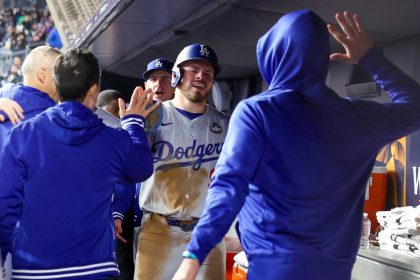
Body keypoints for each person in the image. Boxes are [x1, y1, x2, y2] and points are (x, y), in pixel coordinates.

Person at [173, 10, 420, 280]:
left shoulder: (258, 112)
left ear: (274, 55)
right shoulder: (357, 117)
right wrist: (371, 58)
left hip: (272, 271)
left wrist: (193, 256)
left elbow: (228, 187)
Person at [0, 48, 159, 279]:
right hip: (94, 268)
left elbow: (5, 205)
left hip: (34, 269)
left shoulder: (21, 134)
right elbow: (141, 167)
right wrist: (133, 123)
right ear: (94, 91)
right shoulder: (112, 137)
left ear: (56, 80)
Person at [134, 43, 230, 280]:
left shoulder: (227, 124)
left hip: (207, 233)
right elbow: (127, 165)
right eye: (194, 70)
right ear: (176, 75)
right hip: (158, 231)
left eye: (208, 73)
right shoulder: (151, 116)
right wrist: (132, 126)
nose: (201, 76)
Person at [0, 45, 60, 139]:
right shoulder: (51, 121)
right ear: (42, 76)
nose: (63, 80)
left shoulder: (5, 95)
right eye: (59, 74)